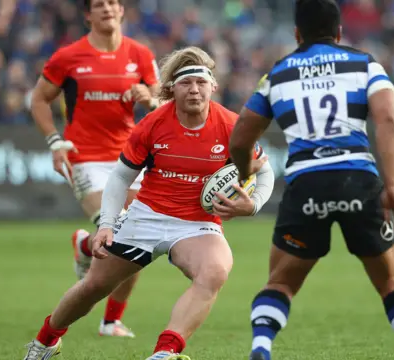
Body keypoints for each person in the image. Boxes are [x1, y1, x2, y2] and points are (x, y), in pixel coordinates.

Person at [22, 46, 275, 360]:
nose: (194, 89)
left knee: (215, 270)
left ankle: (165, 352)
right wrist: (106, 225)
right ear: (170, 89)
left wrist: (254, 205)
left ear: (213, 86)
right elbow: (119, 179)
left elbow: (265, 171)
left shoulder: (231, 126)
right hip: (146, 216)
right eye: (186, 83)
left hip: (197, 225)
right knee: (93, 288)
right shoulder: (152, 125)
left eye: (200, 81)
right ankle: (46, 340)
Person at [228, 1, 394, 360]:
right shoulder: (366, 64)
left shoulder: (277, 75)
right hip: (358, 180)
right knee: (389, 281)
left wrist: (245, 175)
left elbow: (240, 140)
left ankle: (262, 347)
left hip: (307, 184)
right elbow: (387, 120)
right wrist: (393, 185)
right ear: (339, 32)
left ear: (297, 34)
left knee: (280, 283)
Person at [29, 0, 160, 337]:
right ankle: (93, 260)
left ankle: (108, 313)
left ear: (122, 11)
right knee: (119, 225)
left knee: (137, 233)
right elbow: (39, 99)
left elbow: (161, 102)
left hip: (131, 156)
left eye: (113, 3)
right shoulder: (68, 57)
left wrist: (149, 97)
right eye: (99, 4)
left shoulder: (141, 55)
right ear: (88, 14)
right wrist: (55, 141)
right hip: (84, 156)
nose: (107, 8)